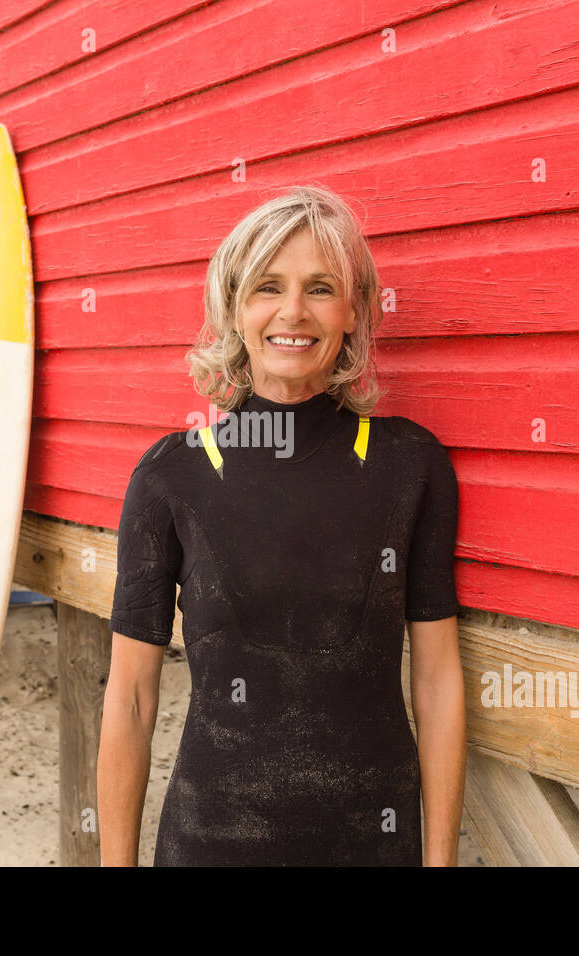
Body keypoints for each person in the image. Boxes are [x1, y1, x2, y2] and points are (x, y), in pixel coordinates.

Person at [96, 185, 466, 866]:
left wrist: (440, 862)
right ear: (234, 309)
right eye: (268, 287)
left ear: (353, 313)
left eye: (321, 288)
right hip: (211, 842)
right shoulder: (173, 475)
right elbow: (132, 698)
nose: (293, 311)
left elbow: (438, 682)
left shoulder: (408, 465)